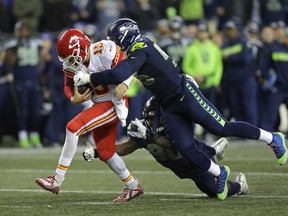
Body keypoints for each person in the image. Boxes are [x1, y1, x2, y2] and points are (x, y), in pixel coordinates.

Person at [73, 18, 287, 200]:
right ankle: (219, 172)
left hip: (184, 94)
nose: (115, 45)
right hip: (168, 103)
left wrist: (90, 77)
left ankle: (272, 138)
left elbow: (120, 73)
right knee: (184, 147)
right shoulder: (135, 52)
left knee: (222, 127)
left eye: (116, 39)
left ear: (125, 36)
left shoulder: (142, 46)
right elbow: (124, 73)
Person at [35, 29, 144, 202]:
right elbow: (67, 85)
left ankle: (57, 179)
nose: (70, 63)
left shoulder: (104, 50)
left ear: (81, 48)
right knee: (106, 152)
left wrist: (125, 82)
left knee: (73, 127)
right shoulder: (72, 65)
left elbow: (131, 64)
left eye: (71, 58)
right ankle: (132, 186)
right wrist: (73, 98)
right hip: (99, 104)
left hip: (114, 103)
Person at [83, 96, 249, 198]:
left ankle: (240, 186)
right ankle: (214, 149)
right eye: (152, 118)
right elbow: (125, 147)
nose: (157, 121)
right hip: (182, 169)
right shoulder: (143, 131)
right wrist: (98, 152)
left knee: (214, 191)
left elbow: (176, 146)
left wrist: (152, 138)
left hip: (198, 163)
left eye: (159, 118)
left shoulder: (173, 127)